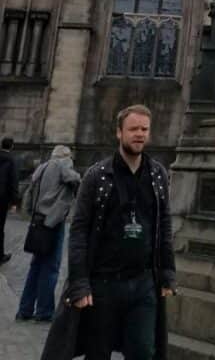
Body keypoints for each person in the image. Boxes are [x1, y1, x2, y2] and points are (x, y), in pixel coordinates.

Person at [41, 104, 175, 360]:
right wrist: (80, 284)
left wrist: (168, 272)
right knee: (97, 353)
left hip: (144, 283)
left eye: (144, 129)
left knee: (144, 351)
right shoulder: (97, 175)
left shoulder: (158, 174)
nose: (139, 134)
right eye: (133, 128)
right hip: (104, 284)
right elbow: (79, 230)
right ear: (119, 132)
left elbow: (164, 224)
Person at [16, 145, 81, 322]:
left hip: (37, 221)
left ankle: (24, 309)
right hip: (52, 222)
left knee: (36, 266)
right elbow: (75, 179)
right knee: (50, 267)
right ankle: (44, 311)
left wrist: (31, 213)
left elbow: (29, 194)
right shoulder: (62, 165)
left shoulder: (42, 167)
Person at [0, 135, 21, 264]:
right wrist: (14, 202)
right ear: (12, 146)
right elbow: (13, 182)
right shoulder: (12, 160)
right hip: (2, 199)